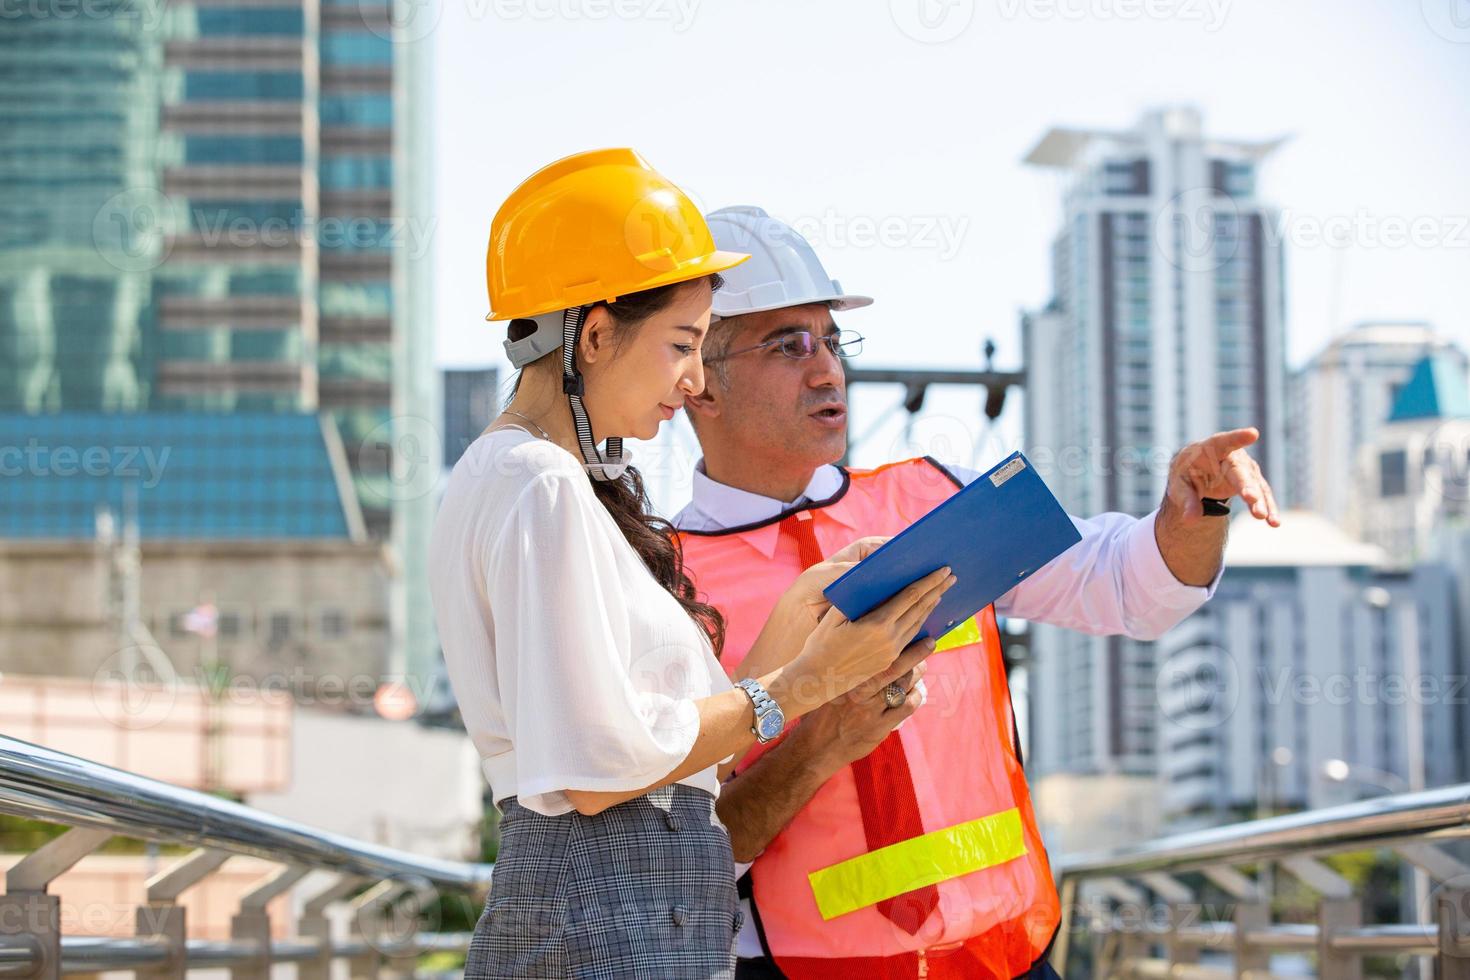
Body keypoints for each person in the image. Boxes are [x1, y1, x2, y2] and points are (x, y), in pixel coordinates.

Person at [672, 206, 1283, 979]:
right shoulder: (663, 582)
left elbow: (1129, 586)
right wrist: (817, 742)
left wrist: (1196, 511)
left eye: (831, 339)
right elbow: (672, 848)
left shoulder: (937, 497)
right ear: (699, 385)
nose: (829, 370)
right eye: (788, 346)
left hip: (1006, 959)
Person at [427, 153, 956, 980]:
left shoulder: (534, 478)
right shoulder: (537, 481)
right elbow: (600, 770)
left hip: (623, 921)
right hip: (604, 928)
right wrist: (805, 686)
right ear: (596, 335)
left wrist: (804, 616)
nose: (695, 379)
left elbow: (661, 738)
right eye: (683, 343)